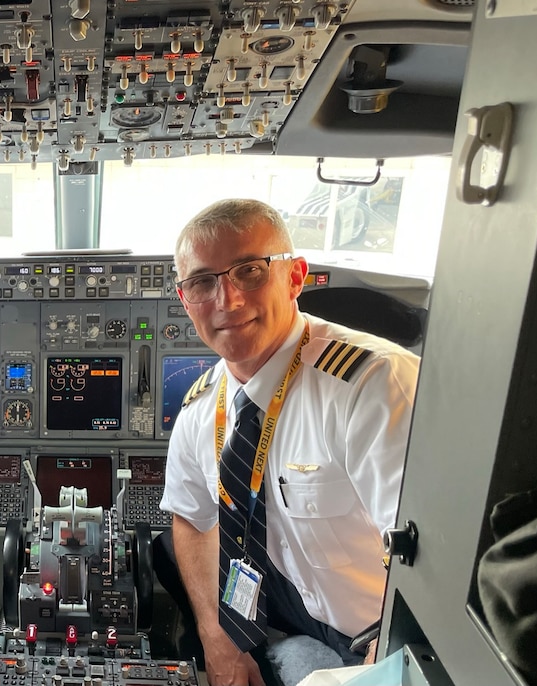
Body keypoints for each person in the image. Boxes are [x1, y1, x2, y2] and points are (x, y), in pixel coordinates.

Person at [156, 199, 420, 686]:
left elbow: (428, 566)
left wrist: (381, 670)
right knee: (163, 548)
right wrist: (217, 639)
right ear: (185, 297)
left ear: (295, 277)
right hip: (286, 589)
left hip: (372, 625)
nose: (227, 300)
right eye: (202, 283)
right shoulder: (200, 408)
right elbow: (191, 520)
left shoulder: (372, 386)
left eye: (249, 272)